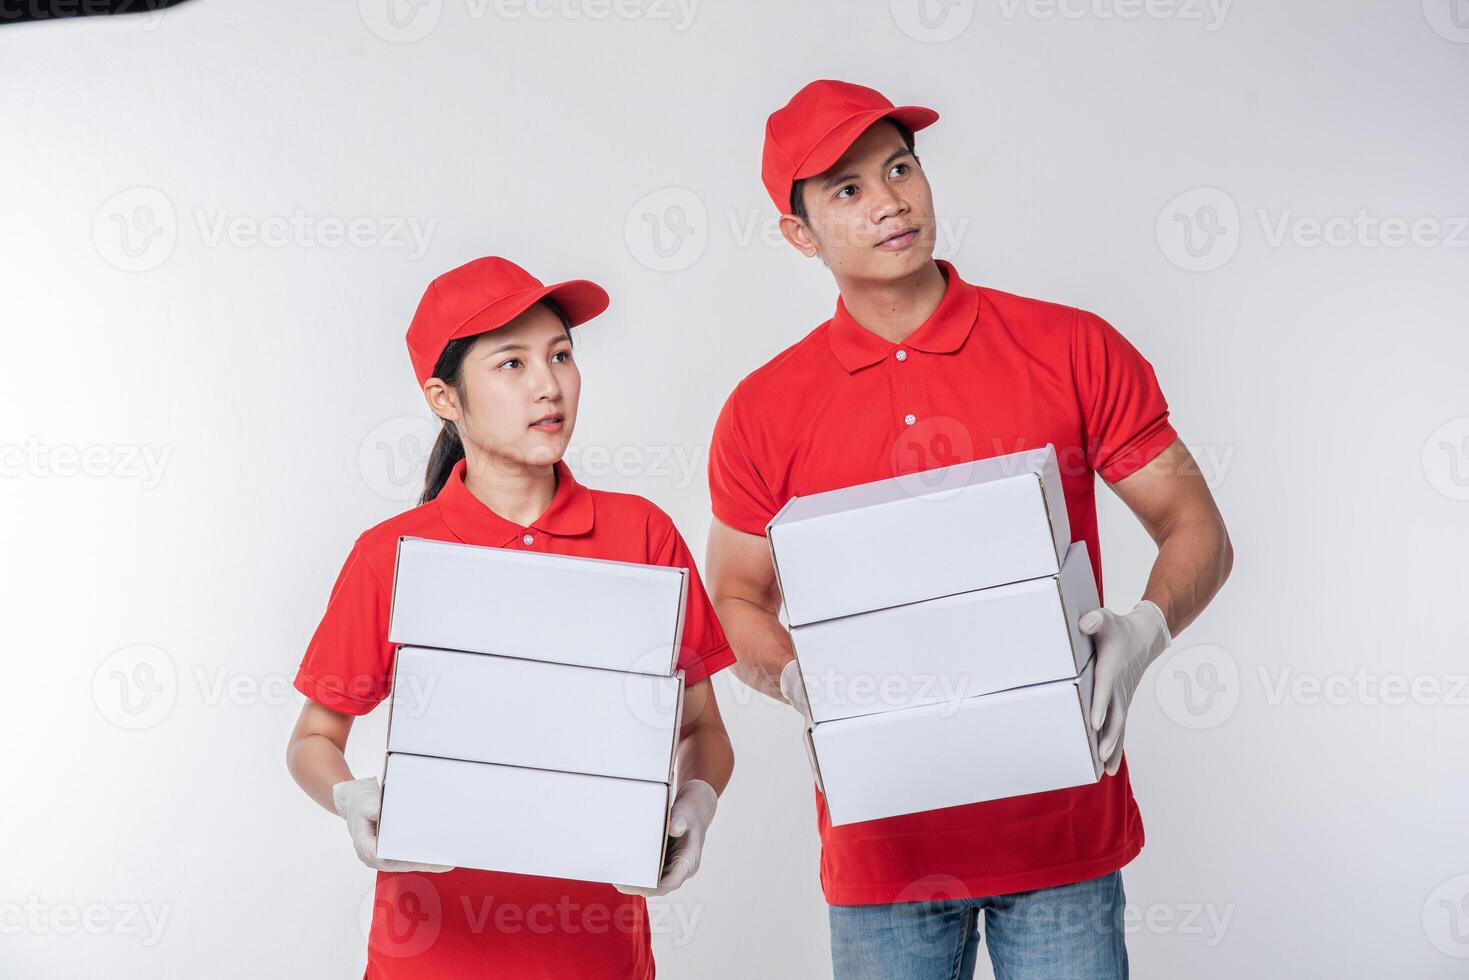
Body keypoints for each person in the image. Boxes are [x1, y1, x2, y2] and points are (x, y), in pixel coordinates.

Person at [704, 80, 1233, 979]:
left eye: (899, 168)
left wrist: (1142, 631)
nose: (891, 202)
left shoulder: (1071, 347)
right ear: (799, 235)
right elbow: (734, 598)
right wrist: (799, 683)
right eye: (847, 190)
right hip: (882, 860)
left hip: (1061, 837)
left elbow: (1196, 526)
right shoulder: (763, 410)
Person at [286, 256, 736, 979]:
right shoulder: (391, 555)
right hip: (429, 954)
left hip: (598, 954)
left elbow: (701, 726)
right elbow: (313, 735)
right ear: (445, 397)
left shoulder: (641, 535)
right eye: (511, 364)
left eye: (560, 355)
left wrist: (696, 798)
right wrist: (349, 796)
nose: (548, 383)